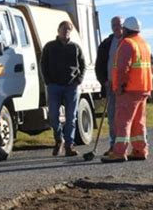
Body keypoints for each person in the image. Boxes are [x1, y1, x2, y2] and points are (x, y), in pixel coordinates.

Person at [101, 16, 153, 163]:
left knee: (122, 121)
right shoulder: (144, 44)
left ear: (126, 29)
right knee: (138, 122)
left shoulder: (127, 44)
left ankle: (119, 152)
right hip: (143, 89)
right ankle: (140, 150)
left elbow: (123, 68)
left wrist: (120, 87)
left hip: (129, 90)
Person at [41, 21, 86, 157]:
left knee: (71, 117)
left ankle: (69, 145)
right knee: (53, 116)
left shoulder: (75, 47)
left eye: (68, 29)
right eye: (63, 29)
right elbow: (43, 64)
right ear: (58, 30)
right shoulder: (49, 46)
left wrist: (79, 80)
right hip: (54, 86)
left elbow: (82, 65)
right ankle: (58, 139)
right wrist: (48, 81)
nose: (66, 31)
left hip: (71, 86)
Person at [95, 16, 124, 155]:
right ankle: (113, 145)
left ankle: (126, 145)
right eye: (114, 25)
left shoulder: (130, 42)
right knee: (112, 117)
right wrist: (104, 81)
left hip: (128, 88)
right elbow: (99, 65)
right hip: (111, 86)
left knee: (127, 117)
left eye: (119, 24)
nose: (117, 27)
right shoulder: (106, 43)